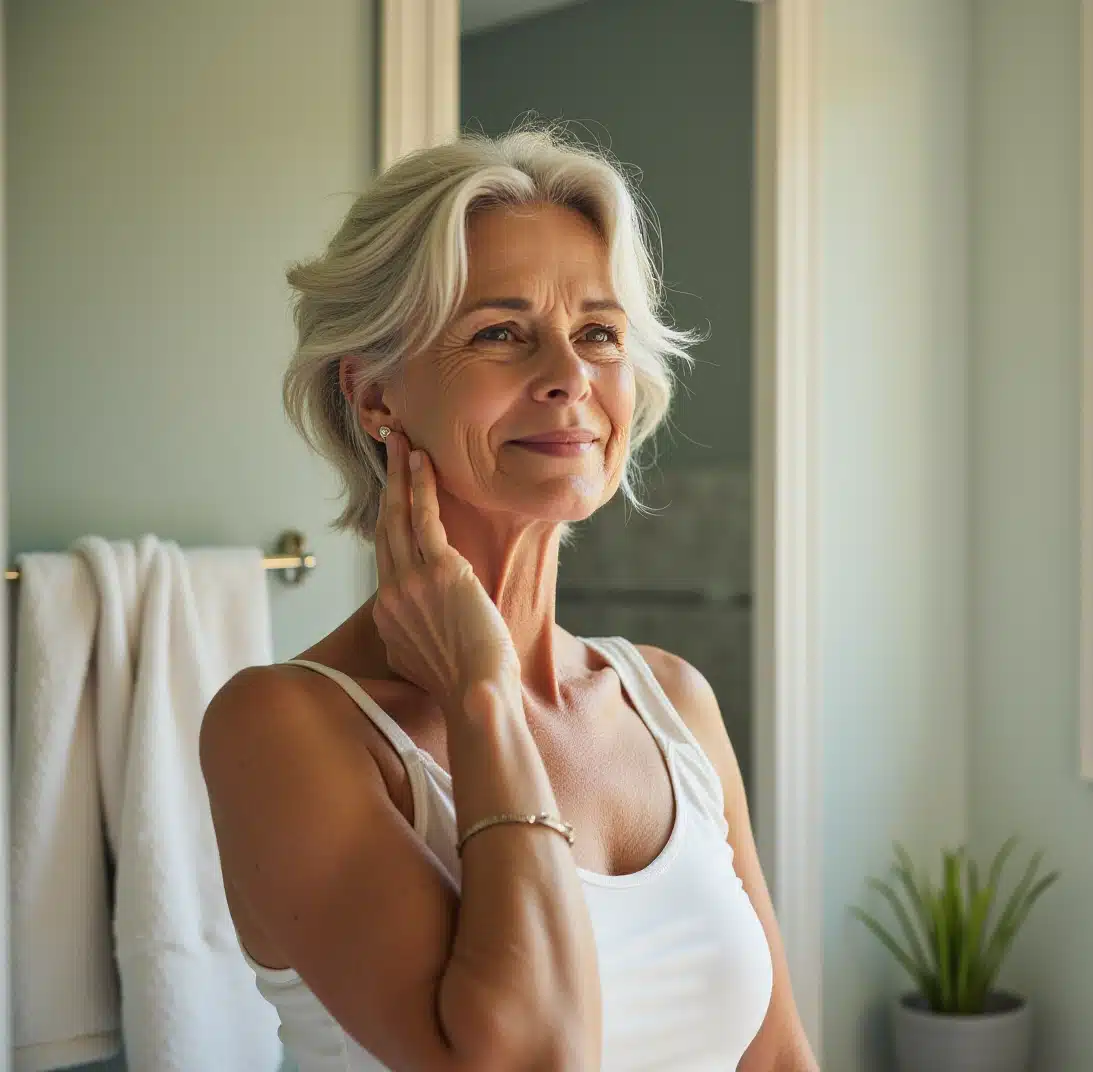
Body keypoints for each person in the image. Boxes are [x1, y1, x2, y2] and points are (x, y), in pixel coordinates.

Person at [201, 129, 817, 1071]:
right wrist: (481, 692)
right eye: (501, 331)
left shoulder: (672, 701)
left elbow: (775, 1058)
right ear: (373, 393)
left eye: (599, 333)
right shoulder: (284, 728)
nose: (570, 374)